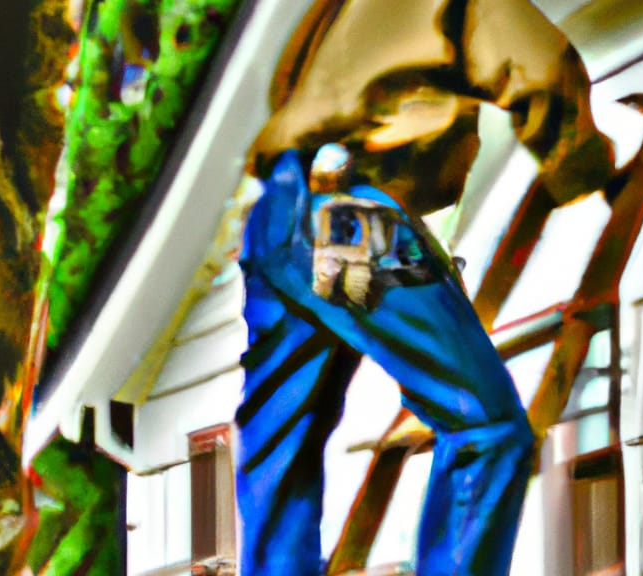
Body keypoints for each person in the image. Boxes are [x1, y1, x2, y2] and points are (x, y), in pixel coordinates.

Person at [235, 1, 616, 574]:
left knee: (278, 456)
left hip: (277, 214)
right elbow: (536, 64)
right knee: (486, 427)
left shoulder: (333, 17)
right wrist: (583, 166)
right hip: (349, 219)